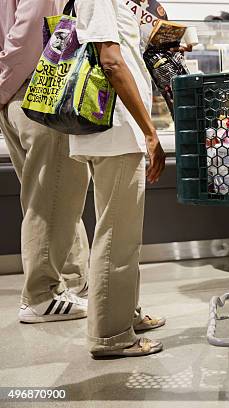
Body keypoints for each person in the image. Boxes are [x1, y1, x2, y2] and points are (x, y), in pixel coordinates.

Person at [73, 0, 167, 357]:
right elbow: (111, 63)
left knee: (123, 234)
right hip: (114, 129)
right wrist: (150, 131)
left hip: (117, 131)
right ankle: (110, 335)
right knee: (116, 236)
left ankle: (125, 312)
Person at [0, 0, 89, 323]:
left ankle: (75, 283)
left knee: (50, 197)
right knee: (54, 198)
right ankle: (42, 295)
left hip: (18, 97)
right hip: (43, 93)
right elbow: (30, 35)